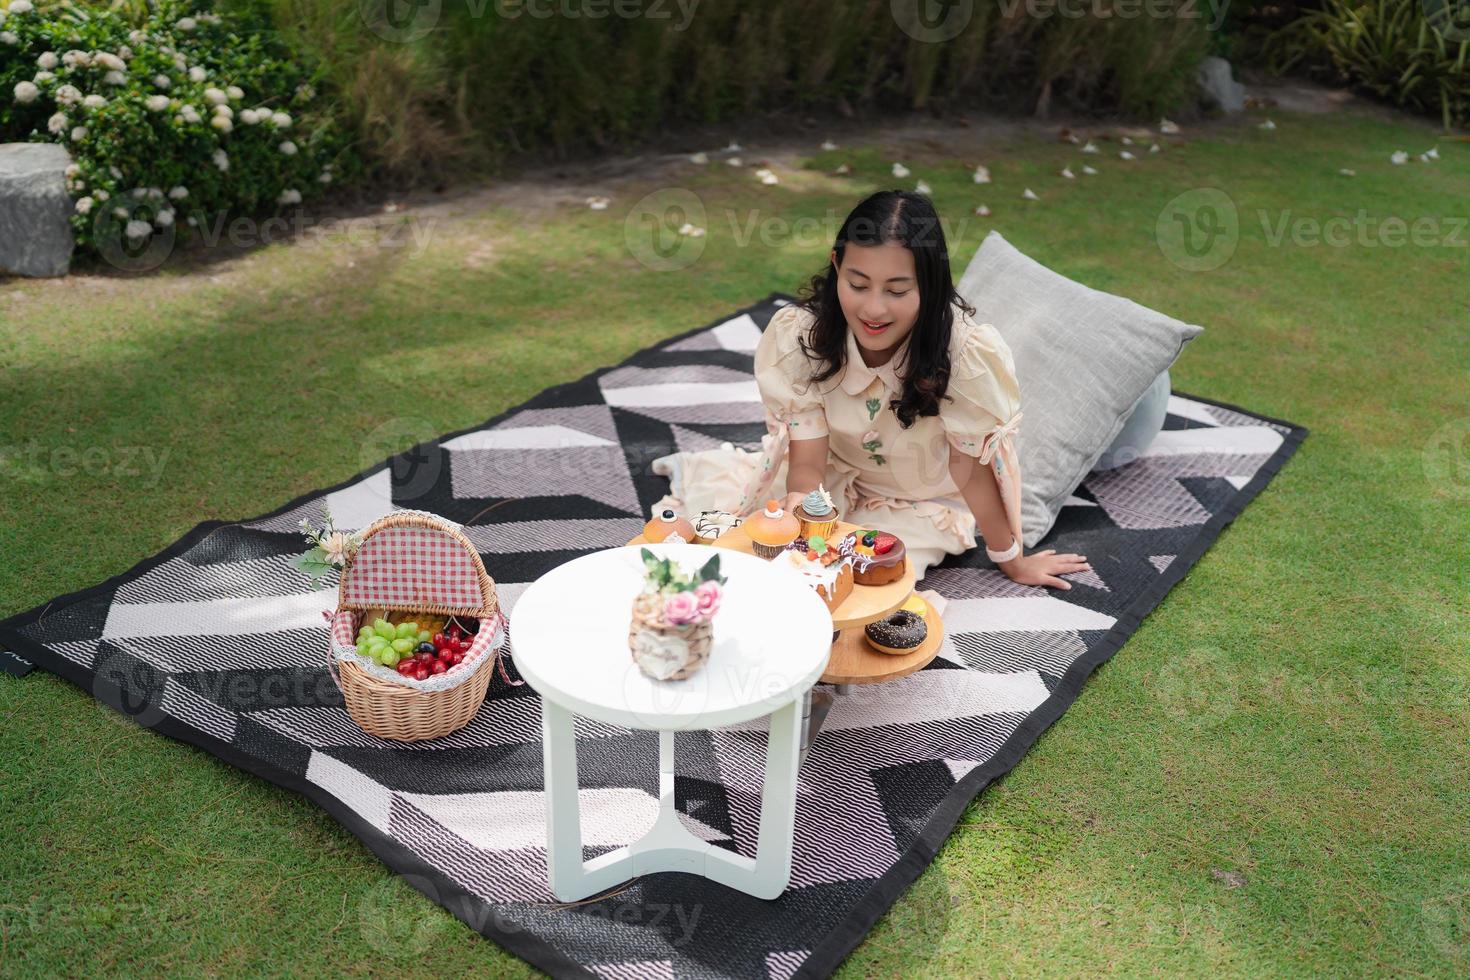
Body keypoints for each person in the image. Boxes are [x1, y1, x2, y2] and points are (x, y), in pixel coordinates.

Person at [652, 189, 1088, 588]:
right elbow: (808, 457)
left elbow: (970, 470)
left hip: (915, 500)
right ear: (837, 265)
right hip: (830, 479)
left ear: (929, 286)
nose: (874, 309)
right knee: (750, 549)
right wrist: (804, 506)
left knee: (862, 581)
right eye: (858, 285)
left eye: (897, 290)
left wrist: (1011, 558)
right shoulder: (803, 336)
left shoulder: (965, 357)